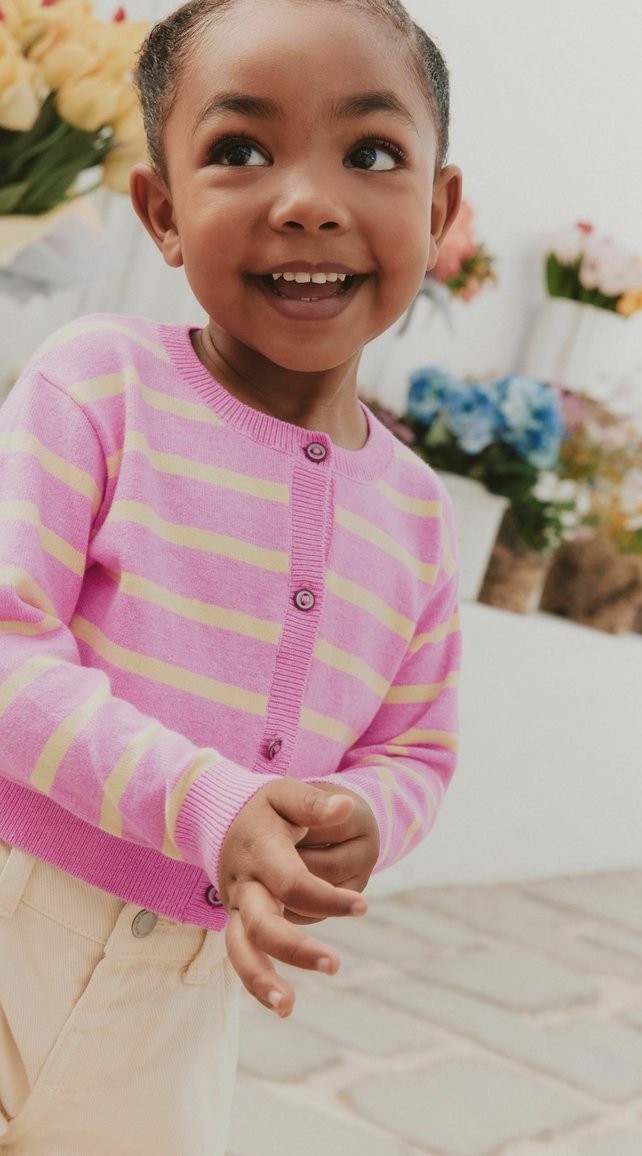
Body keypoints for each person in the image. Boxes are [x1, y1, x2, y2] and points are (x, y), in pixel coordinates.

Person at [0, 0, 463, 1151]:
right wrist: (211, 803)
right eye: (239, 150)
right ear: (160, 210)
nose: (306, 198)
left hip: (186, 996)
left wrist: (355, 815)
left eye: (370, 152)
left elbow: (416, 747)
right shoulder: (97, 383)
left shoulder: (416, 513)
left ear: (440, 209)